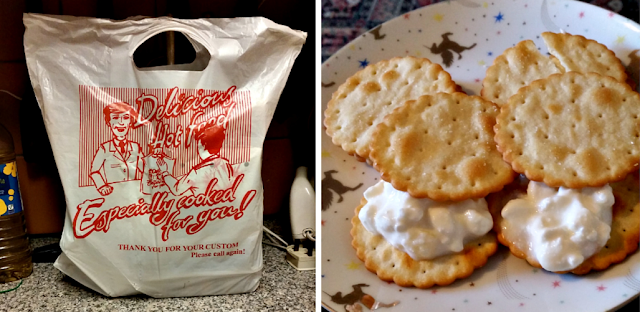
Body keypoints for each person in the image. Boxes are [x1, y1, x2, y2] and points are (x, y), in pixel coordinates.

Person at [159, 118, 234, 196]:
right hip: (225, 205)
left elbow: (177, 189)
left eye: (198, 146)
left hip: (204, 207)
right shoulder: (226, 164)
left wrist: (165, 173)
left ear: (203, 145)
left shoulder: (197, 171)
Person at [90, 102, 144, 196]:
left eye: (126, 118)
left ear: (130, 122)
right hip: (113, 195)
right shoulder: (104, 148)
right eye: (115, 118)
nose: (121, 122)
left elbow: (144, 168)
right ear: (108, 122)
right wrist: (102, 186)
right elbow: (94, 171)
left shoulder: (136, 147)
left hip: (135, 194)